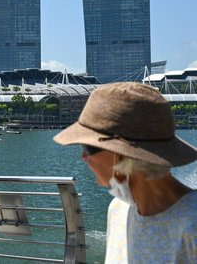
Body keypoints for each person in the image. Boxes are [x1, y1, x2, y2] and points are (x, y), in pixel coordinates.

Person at [53, 82, 197, 263]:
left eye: (89, 147)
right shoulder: (118, 209)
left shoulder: (193, 223)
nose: (83, 157)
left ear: (120, 155)